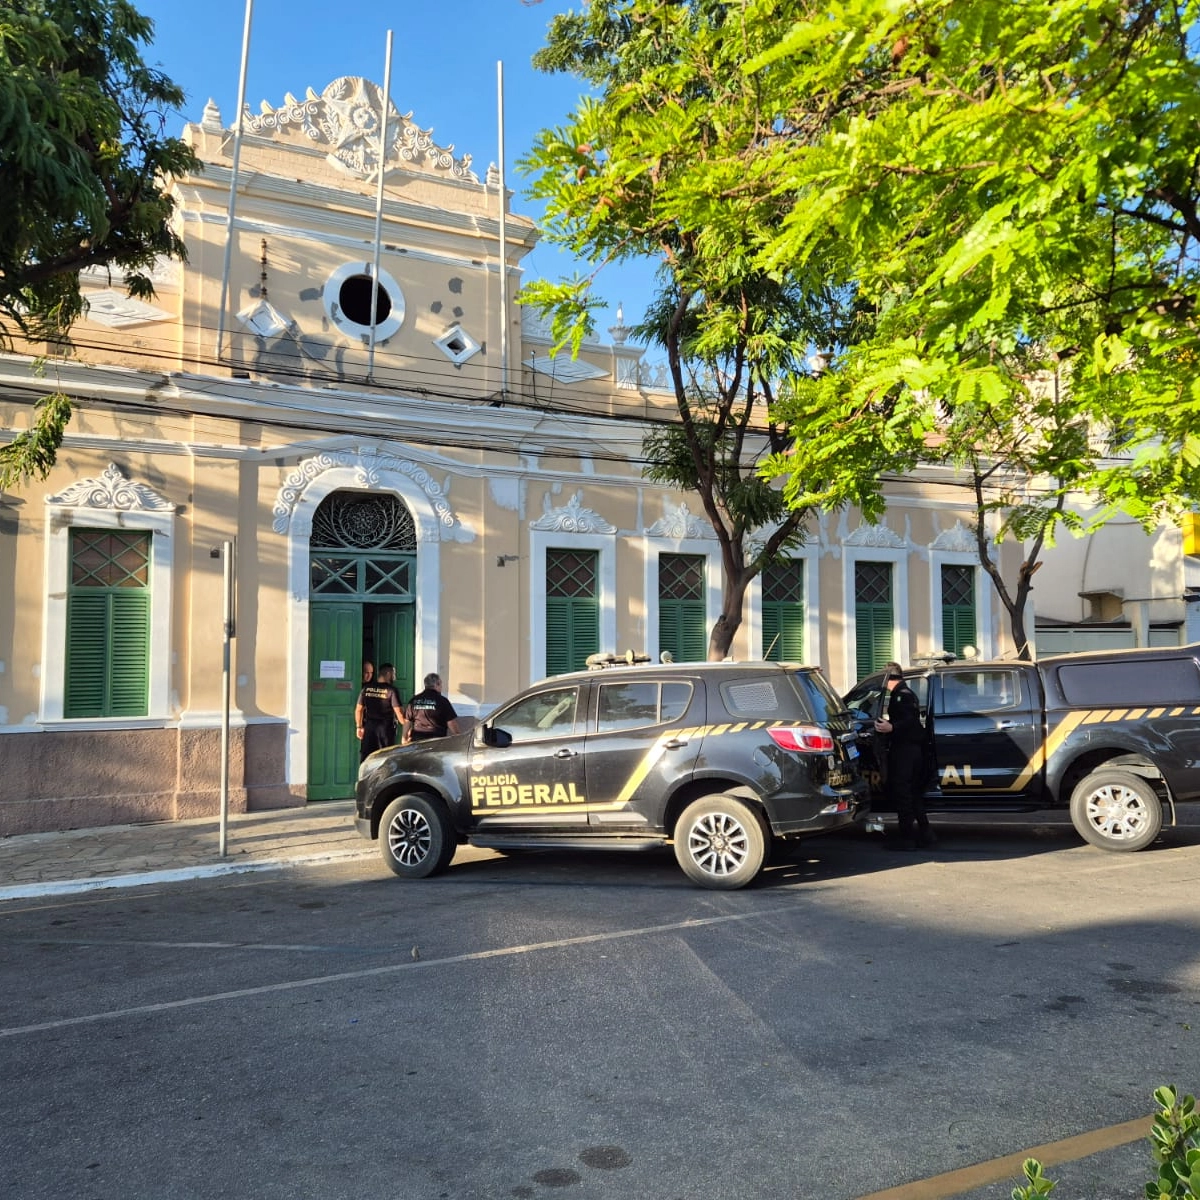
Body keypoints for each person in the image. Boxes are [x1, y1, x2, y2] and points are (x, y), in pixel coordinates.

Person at [872, 661, 935, 850]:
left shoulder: (902, 695)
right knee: (914, 794)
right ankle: (926, 834)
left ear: (889, 678)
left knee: (903, 794)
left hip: (905, 751)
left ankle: (906, 838)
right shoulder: (906, 693)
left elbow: (909, 720)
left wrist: (892, 727)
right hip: (913, 750)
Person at [355, 661, 404, 760]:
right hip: (385, 730)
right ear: (388, 674)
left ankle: (366, 776)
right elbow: (399, 712)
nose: (395, 676)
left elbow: (359, 709)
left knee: (367, 758)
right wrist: (407, 726)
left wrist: (359, 727)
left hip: (369, 728)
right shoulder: (391, 690)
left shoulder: (367, 688)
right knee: (385, 757)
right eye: (394, 673)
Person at [402, 672, 461, 743]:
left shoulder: (414, 700)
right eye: (441, 684)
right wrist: (459, 737)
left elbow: (407, 721)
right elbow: (451, 723)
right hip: (436, 741)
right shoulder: (442, 701)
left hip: (417, 740)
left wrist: (404, 738)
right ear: (437, 684)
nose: (441, 687)